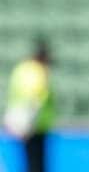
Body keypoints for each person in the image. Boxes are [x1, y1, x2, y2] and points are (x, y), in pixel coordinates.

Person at [4, 39, 55, 172]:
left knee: (27, 161)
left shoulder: (21, 68)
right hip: (34, 125)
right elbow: (35, 97)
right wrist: (30, 119)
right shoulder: (37, 71)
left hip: (20, 122)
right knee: (36, 163)